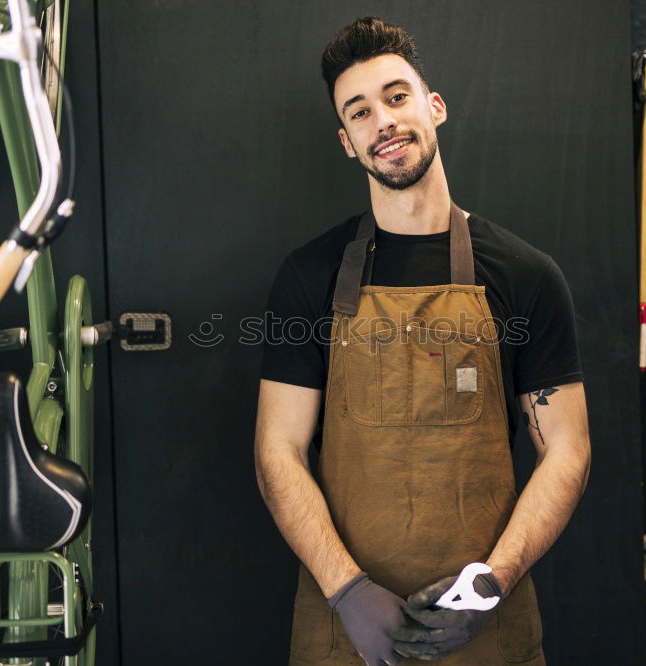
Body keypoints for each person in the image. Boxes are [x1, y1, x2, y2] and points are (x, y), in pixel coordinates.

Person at [254, 16, 591, 666]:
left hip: (489, 633)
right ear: (347, 142)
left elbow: (568, 452)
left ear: (433, 106)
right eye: (360, 111)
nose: (382, 120)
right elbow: (278, 450)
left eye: (397, 96)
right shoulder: (309, 277)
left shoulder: (524, 277)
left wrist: (490, 583)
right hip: (344, 637)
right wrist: (348, 591)